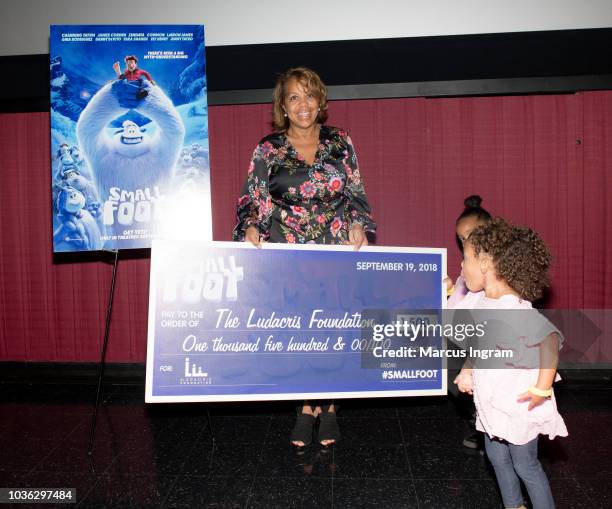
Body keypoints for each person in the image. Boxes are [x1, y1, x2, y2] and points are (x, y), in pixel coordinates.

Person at [233, 67, 376, 448]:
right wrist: (250, 226)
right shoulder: (268, 148)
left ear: (320, 100)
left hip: (335, 252)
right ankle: (304, 407)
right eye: (294, 96)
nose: (303, 104)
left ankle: (328, 405)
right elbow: (254, 199)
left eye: (309, 95)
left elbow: (356, 195)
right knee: (298, 330)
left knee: (332, 329)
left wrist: (359, 225)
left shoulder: (340, 142)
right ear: (282, 105)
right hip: (288, 252)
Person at [454, 218, 567, 509]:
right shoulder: (483, 302)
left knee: (525, 465)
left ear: (486, 264)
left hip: (517, 404)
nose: (461, 266)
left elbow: (551, 342)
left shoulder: (513, 308)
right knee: (496, 457)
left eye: (465, 259)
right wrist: (468, 370)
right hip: (494, 401)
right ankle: (514, 505)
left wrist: (542, 390)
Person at [446, 195, 492, 450]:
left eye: (472, 235)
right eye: (462, 239)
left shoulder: (500, 269)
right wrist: (449, 292)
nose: (467, 242)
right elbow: (457, 309)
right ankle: (479, 419)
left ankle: (487, 423)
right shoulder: (467, 270)